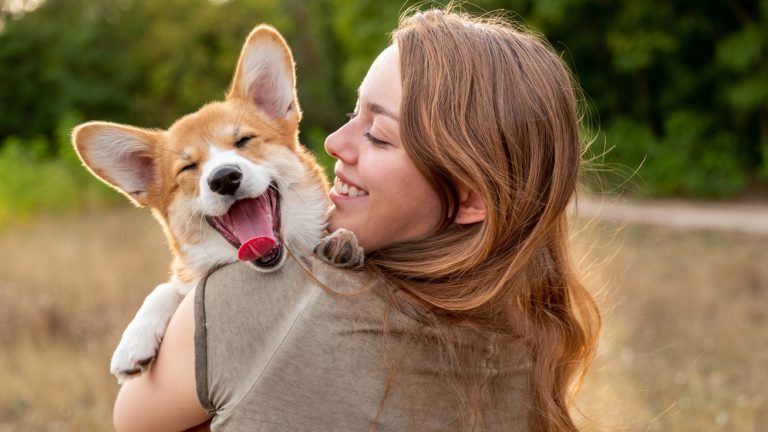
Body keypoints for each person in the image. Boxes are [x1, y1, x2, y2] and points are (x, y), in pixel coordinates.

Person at [113, 7, 600, 432]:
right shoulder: (532, 341)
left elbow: (129, 421)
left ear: (470, 197)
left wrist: (183, 301)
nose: (332, 144)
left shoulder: (249, 304)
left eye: (380, 135)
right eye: (353, 112)